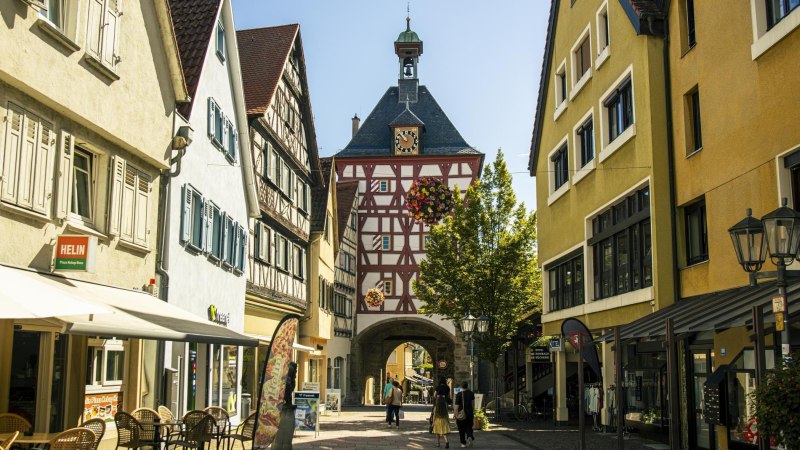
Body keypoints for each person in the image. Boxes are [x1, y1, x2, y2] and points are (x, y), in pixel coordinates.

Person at [431, 377, 451, 448]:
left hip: (437, 418)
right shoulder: (447, 387)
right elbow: (448, 395)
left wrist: (433, 422)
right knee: (444, 432)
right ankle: (446, 441)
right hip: (444, 405)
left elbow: (434, 395)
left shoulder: (438, 387)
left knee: (437, 431)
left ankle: (438, 443)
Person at [454, 381, 475, 447]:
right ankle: (469, 436)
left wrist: (455, 414)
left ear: (461, 386)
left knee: (461, 429)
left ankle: (463, 443)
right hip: (469, 413)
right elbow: (473, 403)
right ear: (467, 386)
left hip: (461, 414)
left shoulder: (459, 394)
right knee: (469, 426)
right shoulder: (471, 393)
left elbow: (456, 406)